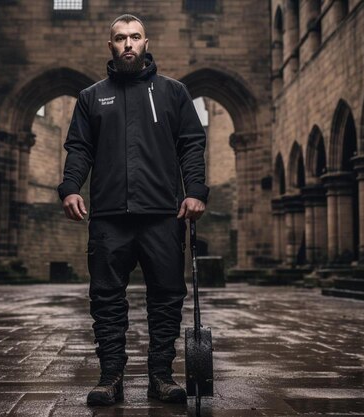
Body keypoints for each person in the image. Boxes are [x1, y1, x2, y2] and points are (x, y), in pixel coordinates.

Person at [57, 14, 208, 406]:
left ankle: (161, 375)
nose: (128, 44)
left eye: (135, 37)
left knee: (167, 297)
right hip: (109, 216)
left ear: (146, 42)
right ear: (110, 46)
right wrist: (70, 187)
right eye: (120, 38)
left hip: (162, 214)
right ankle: (110, 378)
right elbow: (79, 148)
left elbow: (191, 144)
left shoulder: (174, 92)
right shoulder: (92, 97)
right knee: (106, 298)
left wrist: (195, 191)